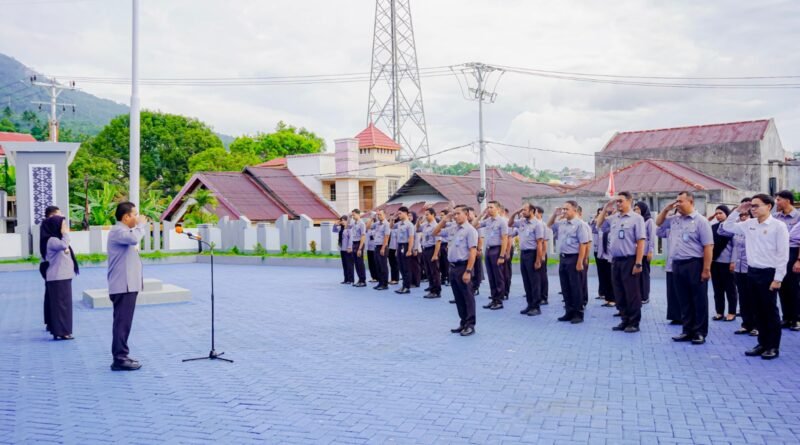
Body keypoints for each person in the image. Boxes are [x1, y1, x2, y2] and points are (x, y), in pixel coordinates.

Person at [723, 195, 789, 360]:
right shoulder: (749, 224)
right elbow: (727, 226)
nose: (753, 208)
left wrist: (778, 278)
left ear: (768, 206)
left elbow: (783, 254)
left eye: (756, 206)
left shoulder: (778, 226)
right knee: (757, 311)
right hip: (751, 272)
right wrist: (738, 210)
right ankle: (762, 343)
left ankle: (772, 346)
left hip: (769, 273)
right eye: (751, 206)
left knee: (769, 311)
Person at [656, 192, 713, 345]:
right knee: (684, 300)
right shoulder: (675, 220)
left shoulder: (700, 221)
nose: (677, 204)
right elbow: (659, 223)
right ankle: (687, 330)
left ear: (691, 202)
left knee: (698, 299)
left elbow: (708, 246)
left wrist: (706, 269)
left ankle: (699, 332)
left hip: (694, 263)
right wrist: (666, 209)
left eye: (680, 201)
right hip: (677, 264)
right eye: (676, 201)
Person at [597, 192, 646, 333]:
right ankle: (624, 320)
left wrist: (638, 263)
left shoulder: (637, 219)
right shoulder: (614, 218)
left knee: (632, 293)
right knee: (619, 292)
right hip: (615, 260)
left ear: (630, 201)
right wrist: (607, 206)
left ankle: (634, 322)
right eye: (616, 201)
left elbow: (641, 241)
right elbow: (599, 224)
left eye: (620, 201)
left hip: (629, 260)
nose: (618, 203)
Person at [107, 202, 148, 371]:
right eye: (135, 214)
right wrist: (141, 226)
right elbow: (134, 239)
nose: (138, 217)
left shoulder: (124, 232)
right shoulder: (118, 231)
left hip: (127, 286)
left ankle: (122, 354)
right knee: (122, 323)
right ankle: (119, 358)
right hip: (123, 286)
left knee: (124, 323)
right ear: (126, 217)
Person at [434, 205, 478, 336]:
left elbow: (473, 252)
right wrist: (444, 220)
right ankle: (463, 322)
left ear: (466, 214)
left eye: (458, 213)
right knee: (458, 297)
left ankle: (470, 325)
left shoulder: (470, 230)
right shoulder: (453, 228)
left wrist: (468, 271)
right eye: (454, 214)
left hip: (463, 267)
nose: (456, 216)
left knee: (467, 297)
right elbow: (435, 233)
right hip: (452, 267)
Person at [548, 200, 591, 323]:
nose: (564, 211)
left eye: (567, 209)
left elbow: (583, 244)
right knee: (565, 286)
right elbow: (549, 225)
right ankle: (569, 311)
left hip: (574, 258)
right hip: (563, 258)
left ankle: (578, 314)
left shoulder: (580, 224)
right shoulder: (562, 223)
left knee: (575, 287)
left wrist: (580, 262)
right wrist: (555, 214)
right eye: (563, 209)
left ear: (575, 210)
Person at [40, 209, 79, 340]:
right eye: (62, 225)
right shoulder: (52, 240)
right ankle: (62, 332)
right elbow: (64, 245)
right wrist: (65, 234)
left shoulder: (54, 240)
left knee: (63, 305)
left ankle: (60, 331)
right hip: (58, 277)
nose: (65, 228)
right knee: (62, 306)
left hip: (61, 276)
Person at [725, 204, 757, 336]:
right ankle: (746, 324)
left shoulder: (754, 228)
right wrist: (736, 211)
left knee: (754, 298)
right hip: (739, 268)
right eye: (742, 215)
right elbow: (725, 227)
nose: (743, 217)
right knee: (743, 298)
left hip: (752, 268)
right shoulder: (738, 229)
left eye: (746, 215)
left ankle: (757, 325)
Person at [509, 203, 545, 316]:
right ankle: (529, 304)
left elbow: (540, 243)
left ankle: (536, 306)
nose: (522, 212)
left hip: (533, 254)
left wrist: (538, 260)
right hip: (523, 254)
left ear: (532, 211)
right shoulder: (521, 222)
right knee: (526, 281)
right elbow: (509, 223)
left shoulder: (537, 224)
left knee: (534, 282)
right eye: (522, 210)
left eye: (525, 210)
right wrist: (515, 212)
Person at [772, 190, 800, 331]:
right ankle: (787, 317)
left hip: (793, 252)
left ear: (787, 200)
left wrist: (798, 260)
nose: (776, 202)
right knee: (781, 285)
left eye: (778, 200)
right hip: (778, 253)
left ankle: (796, 319)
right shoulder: (776, 217)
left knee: (793, 287)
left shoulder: (798, 217)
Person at [475, 201, 509, 310]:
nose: (489, 209)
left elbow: (505, 239)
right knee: (491, 276)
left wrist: (502, 255)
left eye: (491, 207)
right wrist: (481, 214)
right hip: (489, 250)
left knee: (498, 276)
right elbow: (474, 225)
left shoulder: (502, 222)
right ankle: (493, 299)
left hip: (497, 250)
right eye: (488, 207)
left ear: (498, 209)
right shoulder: (488, 221)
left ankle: (499, 300)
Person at [709, 205, 737, 321]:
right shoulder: (713, 227)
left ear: (727, 214)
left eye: (720, 213)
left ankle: (732, 312)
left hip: (727, 263)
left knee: (730, 289)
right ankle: (719, 312)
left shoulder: (733, 227)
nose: (718, 215)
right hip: (715, 262)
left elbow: (735, 246)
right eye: (716, 213)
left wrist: (733, 261)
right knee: (717, 289)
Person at [39, 205, 62, 333]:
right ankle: (52, 322)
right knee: (52, 295)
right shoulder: (49, 230)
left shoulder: (45, 228)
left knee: (49, 294)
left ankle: (50, 321)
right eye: (59, 215)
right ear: (52, 217)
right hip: (48, 264)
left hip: (46, 264)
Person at [656, 218, 681, 325]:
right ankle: (675, 315)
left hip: (684, 264)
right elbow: (658, 232)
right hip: (671, 264)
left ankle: (684, 316)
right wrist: (667, 217)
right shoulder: (669, 230)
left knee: (682, 292)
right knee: (672, 292)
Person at [633, 202, 656, 304]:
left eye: (638, 209)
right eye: (635, 209)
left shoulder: (649, 221)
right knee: (637, 275)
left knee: (645, 274)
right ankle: (638, 295)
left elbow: (652, 237)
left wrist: (650, 251)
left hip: (645, 252)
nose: (636, 211)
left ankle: (645, 296)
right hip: (636, 252)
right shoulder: (636, 221)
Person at [418, 207, 442, 298]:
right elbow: (417, 229)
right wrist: (418, 221)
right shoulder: (425, 225)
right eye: (425, 214)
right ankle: (431, 288)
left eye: (427, 214)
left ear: (433, 215)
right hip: (425, 249)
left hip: (432, 250)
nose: (426, 216)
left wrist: (435, 254)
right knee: (428, 271)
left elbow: (438, 241)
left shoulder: (436, 226)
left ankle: (436, 291)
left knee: (434, 272)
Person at [394, 207, 415, 294]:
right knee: (401, 267)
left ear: (405, 213)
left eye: (400, 213)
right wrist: (396, 249)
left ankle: (407, 287)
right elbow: (392, 228)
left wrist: (409, 250)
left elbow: (411, 238)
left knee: (406, 268)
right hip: (400, 245)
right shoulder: (399, 224)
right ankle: (403, 285)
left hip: (406, 246)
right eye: (398, 214)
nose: (398, 215)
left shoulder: (409, 225)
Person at [535, 206, 551, 305]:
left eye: (535, 212)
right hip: (535, 254)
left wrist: (543, 255)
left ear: (540, 213)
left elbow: (544, 242)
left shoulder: (544, 225)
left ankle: (544, 297)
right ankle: (537, 295)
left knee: (542, 276)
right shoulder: (534, 224)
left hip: (541, 254)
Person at [372, 210, 391, 290]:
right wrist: (372, 217)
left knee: (383, 266)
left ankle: (384, 284)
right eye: (378, 215)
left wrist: (383, 248)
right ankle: (380, 282)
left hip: (382, 247)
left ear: (384, 215)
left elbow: (386, 237)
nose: (378, 216)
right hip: (376, 246)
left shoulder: (386, 224)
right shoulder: (377, 224)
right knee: (378, 266)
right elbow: (368, 226)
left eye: (380, 214)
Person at [349, 209, 367, 287]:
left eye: (354, 215)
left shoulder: (361, 223)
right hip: (354, 243)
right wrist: (349, 217)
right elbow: (347, 226)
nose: (353, 216)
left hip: (359, 244)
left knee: (360, 263)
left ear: (358, 214)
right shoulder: (354, 223)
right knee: (356, 263)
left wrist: (360, 248)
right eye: (352, 215)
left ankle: (363, 281)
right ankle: (359, 279)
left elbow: (363, 236)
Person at [333, 216, 353, 284]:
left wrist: (350, 247)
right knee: (344, 265)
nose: (343, 221)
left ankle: (350, 280)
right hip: (342, 248)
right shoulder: (340, 228)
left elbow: (351, 238)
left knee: (349, 265)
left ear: (347, 221)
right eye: (342, 220)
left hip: (348, 249)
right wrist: (335, 224)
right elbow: (334, 230)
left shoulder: (349, 228)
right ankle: (346, 279)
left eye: (344, 220)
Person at [438, 209, 454, 287]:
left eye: (442, 215)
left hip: (446, 244)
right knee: (441, 263)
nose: (441, 217)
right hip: (440, 244)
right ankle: (443, 277)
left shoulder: (450, 224)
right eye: (440, 216)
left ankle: (448, 278)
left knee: (446, 263)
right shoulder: (441, 224)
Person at [502, 207, 514, 300]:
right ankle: (500, 292)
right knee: (499, 272)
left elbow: (509, 238)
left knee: (506, 271)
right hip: (499, 248)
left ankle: (506, 292)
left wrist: (508, 252)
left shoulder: (506, 221)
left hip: (507, 248)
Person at [365, 215, 378, 283]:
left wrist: (373, 219)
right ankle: (373, 277)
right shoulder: (367, 230)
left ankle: (377, 277)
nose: (367, 224)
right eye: (366, 223)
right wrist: (371, 218)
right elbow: (367, 227)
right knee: (370, 264)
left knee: (375, 263)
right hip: (369, 249)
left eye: (368, 223)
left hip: (375, 249)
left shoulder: (376, 229)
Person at [387, 213, 399, 285]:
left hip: (395, 248)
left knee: (395, 264)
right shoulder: (391, 229)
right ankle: (392, 278)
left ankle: (395, 279)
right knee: (391, 264)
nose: (391, 221)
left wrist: (397, 249)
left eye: (393, 219)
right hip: (390, 248)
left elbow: (398, 240)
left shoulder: (397, 229)